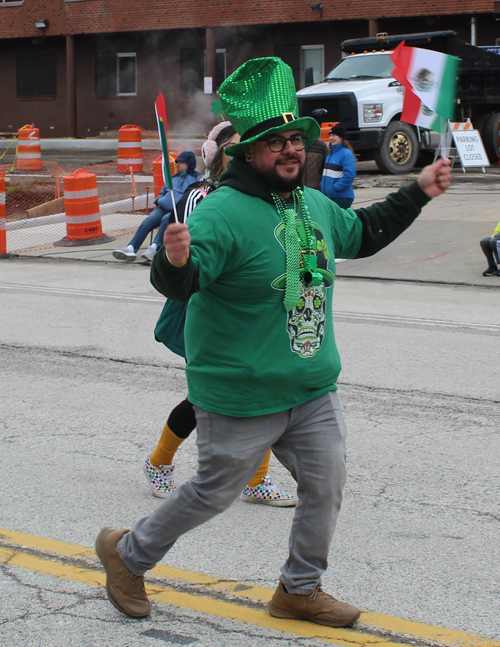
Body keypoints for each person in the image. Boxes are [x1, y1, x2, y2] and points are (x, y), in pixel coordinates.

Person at [96, 57, 451, 627]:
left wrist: (418, 191)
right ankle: (127, 554)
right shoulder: (222, 213)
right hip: (240, 391)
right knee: (213, 492)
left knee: (325, 485)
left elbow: (362, 234)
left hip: (311, 387)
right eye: (275, 142)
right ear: (247, 153)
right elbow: (183, 282)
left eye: (295, 139)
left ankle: (299, 589)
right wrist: (173, 257)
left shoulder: (313, 205)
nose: (290, 149)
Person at [145, 121, 297, 507]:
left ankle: (256, 480)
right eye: (236, 146)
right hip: (205, 310)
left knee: (265, 388)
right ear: (220, 156)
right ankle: (158, 462)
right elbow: (191, 262)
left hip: (253, 311)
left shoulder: (266, 196)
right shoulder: (203, 197)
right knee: (204, 399)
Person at [112, 151, 201, 263]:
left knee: (166, 220)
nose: (177, 164)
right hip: (163, 207)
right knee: (148, 222)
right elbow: (162, 192)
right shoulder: (172, 178)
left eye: (181, 162)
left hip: (179, 210)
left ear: (189, 163)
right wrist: (159, 200)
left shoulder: (197, 178)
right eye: (177, 162)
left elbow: (197, 195)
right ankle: (131, 248)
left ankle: (154, 248)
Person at [320, 122, 356, 208]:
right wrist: (322, 185)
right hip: (330, 197)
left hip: (341, 197)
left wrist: (336, 187)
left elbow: (350, 174)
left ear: (341, 137)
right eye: (330, 135)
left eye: (333, 135)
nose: (331, 138)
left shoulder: (346, 154)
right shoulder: (330, 153)